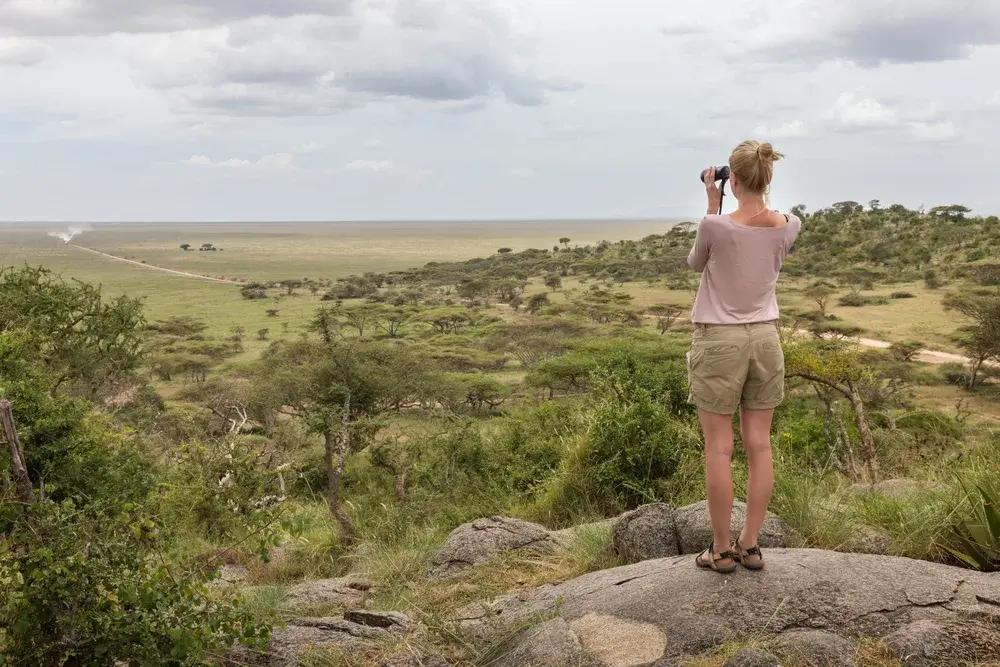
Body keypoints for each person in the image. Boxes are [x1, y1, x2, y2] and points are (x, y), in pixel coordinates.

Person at [686, 140, 801, 574]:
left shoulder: (714, 226)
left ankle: (719, 551)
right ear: (768, 178)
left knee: (719, 447)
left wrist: (712, 203)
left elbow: (697, 264)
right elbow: (770, 220)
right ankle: (750, 546)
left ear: (730, 179)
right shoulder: (791, 225)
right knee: (760, 444)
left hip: (719, 341)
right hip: (766, 339)